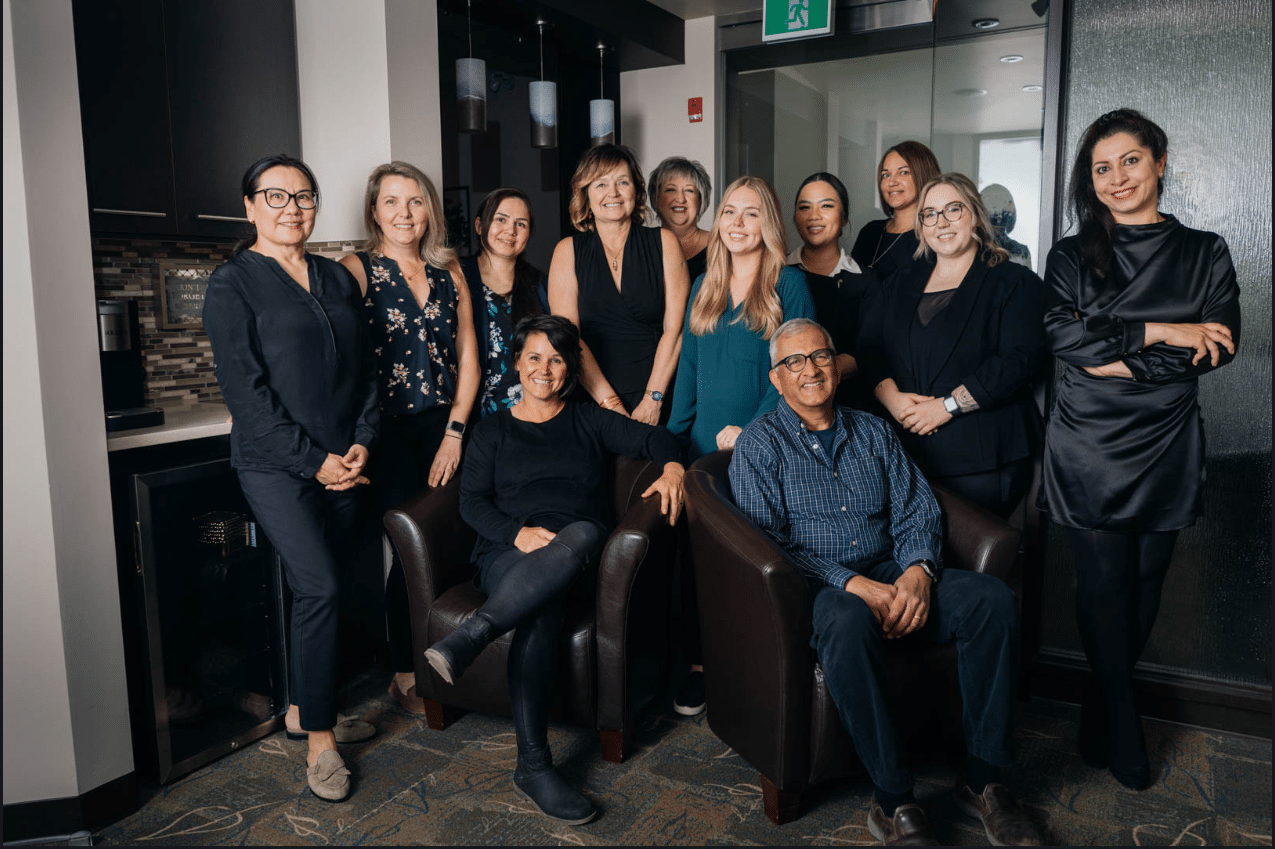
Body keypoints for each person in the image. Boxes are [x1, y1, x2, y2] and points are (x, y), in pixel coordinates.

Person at [730, 318, 1042, 847]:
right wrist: (850, 583)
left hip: (892, 569)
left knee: (991, 599)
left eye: (821, 356)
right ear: (776, 379)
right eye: (794, 362)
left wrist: (919, 570)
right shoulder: (759, 446)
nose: (811, 369)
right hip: (820, 591)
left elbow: (916, 510)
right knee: (847, 623)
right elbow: (770, 546)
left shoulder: (873, 430)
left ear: (837, 365)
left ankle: (984, 776)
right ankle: (895, 800)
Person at [1038, 108, 1240, 790]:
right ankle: (1125, 723)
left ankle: (1100, 703)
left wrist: (1123, 349)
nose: (1116, 177)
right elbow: (1065, 341)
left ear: (1158, 161)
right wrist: (1162, 329)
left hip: (1165, 440)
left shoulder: (1205, 250)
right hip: (1088, 441)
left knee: (1144, 586)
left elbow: (1218, 346)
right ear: (1087, 182)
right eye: (1100, 168)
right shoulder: (1068, 254)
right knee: (1100, 586)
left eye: (1128, 160)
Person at [430, 315, 686, 825]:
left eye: (556, 359)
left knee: (587, 532)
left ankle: (474, 634)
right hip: (507, 554)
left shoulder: (589, 419)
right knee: (539, 611)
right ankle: (534, 766)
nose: (544, 369)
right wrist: (516, 534)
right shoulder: (492, 431)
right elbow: (472, 503)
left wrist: (675, 468)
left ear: (569, 369)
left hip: (579, 554)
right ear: (516, 364)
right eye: (533, 357)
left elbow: (660, 442)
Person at [204, 154, 379, 802]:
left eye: (302, 197)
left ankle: (308, 706)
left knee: (332, 591)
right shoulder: (233, 284)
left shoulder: (335, 277)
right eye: (275, 197)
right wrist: (315, 460)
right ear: (249, 206)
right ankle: (321, 742)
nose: (291, 208)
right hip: (277, 466)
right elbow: (247, 398)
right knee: (320, 585)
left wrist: (361, 441)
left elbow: (365, 374)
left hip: (343, 462)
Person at [338, 161, 480, 719]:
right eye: (392, 202)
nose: (405, 213)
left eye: (415, 201)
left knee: (451, 540)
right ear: (374, 210)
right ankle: (404, 672)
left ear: (430, 210)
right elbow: (336, 353)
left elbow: (469, 357)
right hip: (385, 430)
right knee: (406, 546)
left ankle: (448, 657)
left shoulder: (449, 272)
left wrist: (455, 432)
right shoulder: (355, 269)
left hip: (445, 425)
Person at [857, 173, 1046, 518]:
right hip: (905, 453)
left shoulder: (1013, 282)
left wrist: (946, 407)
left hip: (982, 459)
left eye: (953, 210)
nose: (940, 222)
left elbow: (1018, 361)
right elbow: (869, 350)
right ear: (921, 225)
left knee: (969, 561)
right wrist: (893, 400)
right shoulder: (899, 283)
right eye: (929, 214)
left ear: (974, 214)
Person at [666, 175, 816, 461]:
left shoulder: (790, 284)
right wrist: (673, 438)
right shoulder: (703, 285)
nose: (737, 223)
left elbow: (796, 373)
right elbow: (688, 366)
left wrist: (752, 431)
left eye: (751, 214)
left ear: (768, 224)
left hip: (763, 442)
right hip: (701, 445)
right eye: (729, 212)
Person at [548, 144, 690, 424]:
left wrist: (653, 400)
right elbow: (569, 337)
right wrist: (609, 403)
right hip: (591, 397)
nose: (612, 193)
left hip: (658, 395)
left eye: (622, 182)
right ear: (585, 195)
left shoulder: (665, 243)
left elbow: (675, 330)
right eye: (600, 184)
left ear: (636, 191)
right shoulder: (566, 251)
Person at [788, 171, 879, 410]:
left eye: (826, 206)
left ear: (844, 217)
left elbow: (867, 353)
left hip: (850, 405)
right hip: (786, 405)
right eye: (804, 207)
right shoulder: (778, 274)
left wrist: (815, 375)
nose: (814, 217)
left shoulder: (866, 280)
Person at [459, 188, 550, 418]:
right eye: (501, 219)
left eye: (521, 224)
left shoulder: (540, 284)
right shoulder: (456, 277)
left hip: (528, 416)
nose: (510, 230)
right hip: (469, 415)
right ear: (480, 226)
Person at [850, 141, 941, 284]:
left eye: (903, 172)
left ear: (923, 174)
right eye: (885, 175)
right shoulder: (870, 232)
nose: (892, 182)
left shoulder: (935, 235)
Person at [648, 155, 713, 283]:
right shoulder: (643, 247)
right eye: (670, 190)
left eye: (689, 190)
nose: (680, 199)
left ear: (701, 200)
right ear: (656, 198)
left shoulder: (719, 245)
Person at [980, 183, 1032, 268]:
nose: (997, 220)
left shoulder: (1021, 251)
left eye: (999, 216)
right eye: (994, 216)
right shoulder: (1021, 251)